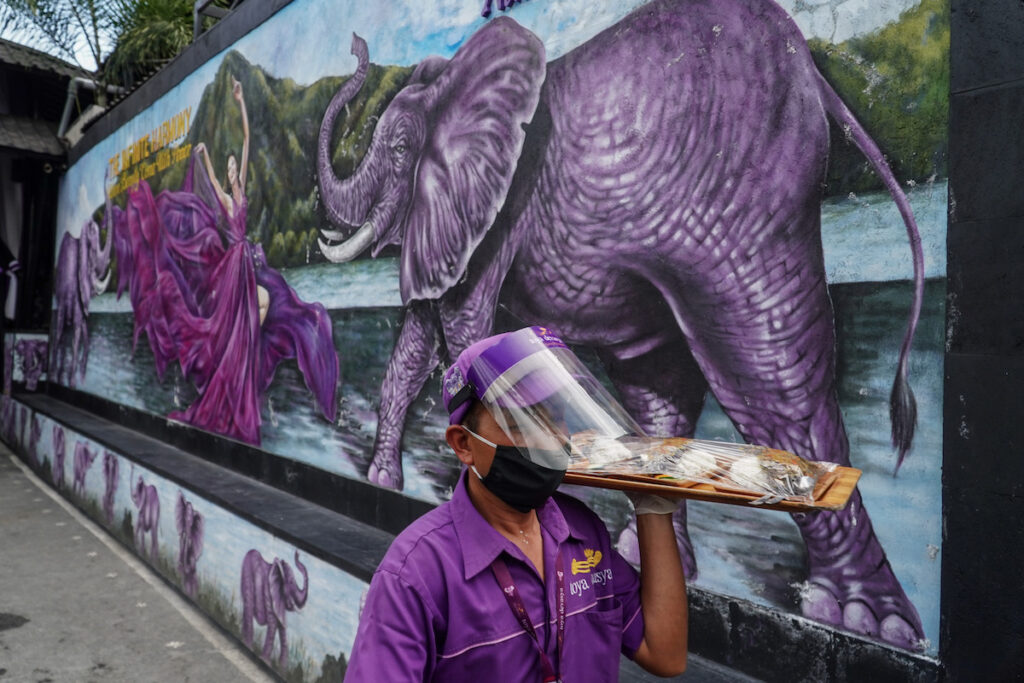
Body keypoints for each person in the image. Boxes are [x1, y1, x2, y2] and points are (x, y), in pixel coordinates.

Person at [345, 326, 688, 681]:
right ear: (463, 444)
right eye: (523, 421)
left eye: (555, 415)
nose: (552, 438)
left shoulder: (584, 533)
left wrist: (653, 510)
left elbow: (664, 655)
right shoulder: (415, 574)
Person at [109, 75, 338, 445]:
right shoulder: (226, 200)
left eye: (234, 169)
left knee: (257, 309)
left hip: (246, 261)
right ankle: (239, 359)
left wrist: (240, 99)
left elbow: (247, 141)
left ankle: (244, 354)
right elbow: (212, 180)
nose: (233, 172)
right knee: (243, 317)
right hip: (233, 266)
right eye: (230, 170)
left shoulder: (242, 193)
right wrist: (203, 159)